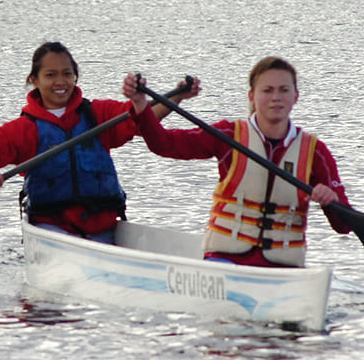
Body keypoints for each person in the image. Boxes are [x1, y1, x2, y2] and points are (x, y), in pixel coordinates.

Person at [122, 56, 351, 268]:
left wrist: (330, 202)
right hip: (226, 260)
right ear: (252, 96)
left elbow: (343, 226)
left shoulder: (315, 152)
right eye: (267, 90)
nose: (275, 98)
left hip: (283, 268)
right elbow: (164, 144)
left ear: (296, 96)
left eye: (284, 90)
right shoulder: (228, 135)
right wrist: (140, 103)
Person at [0, 41, 198, 243]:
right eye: (50, 75)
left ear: (75, 76)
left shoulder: (98, 113)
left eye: (67, 74)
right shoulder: (24, 129)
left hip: (103, 227)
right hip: (51, 229)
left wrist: (177, 96)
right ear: (35, 80)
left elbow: (143, 116)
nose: (60, 82)